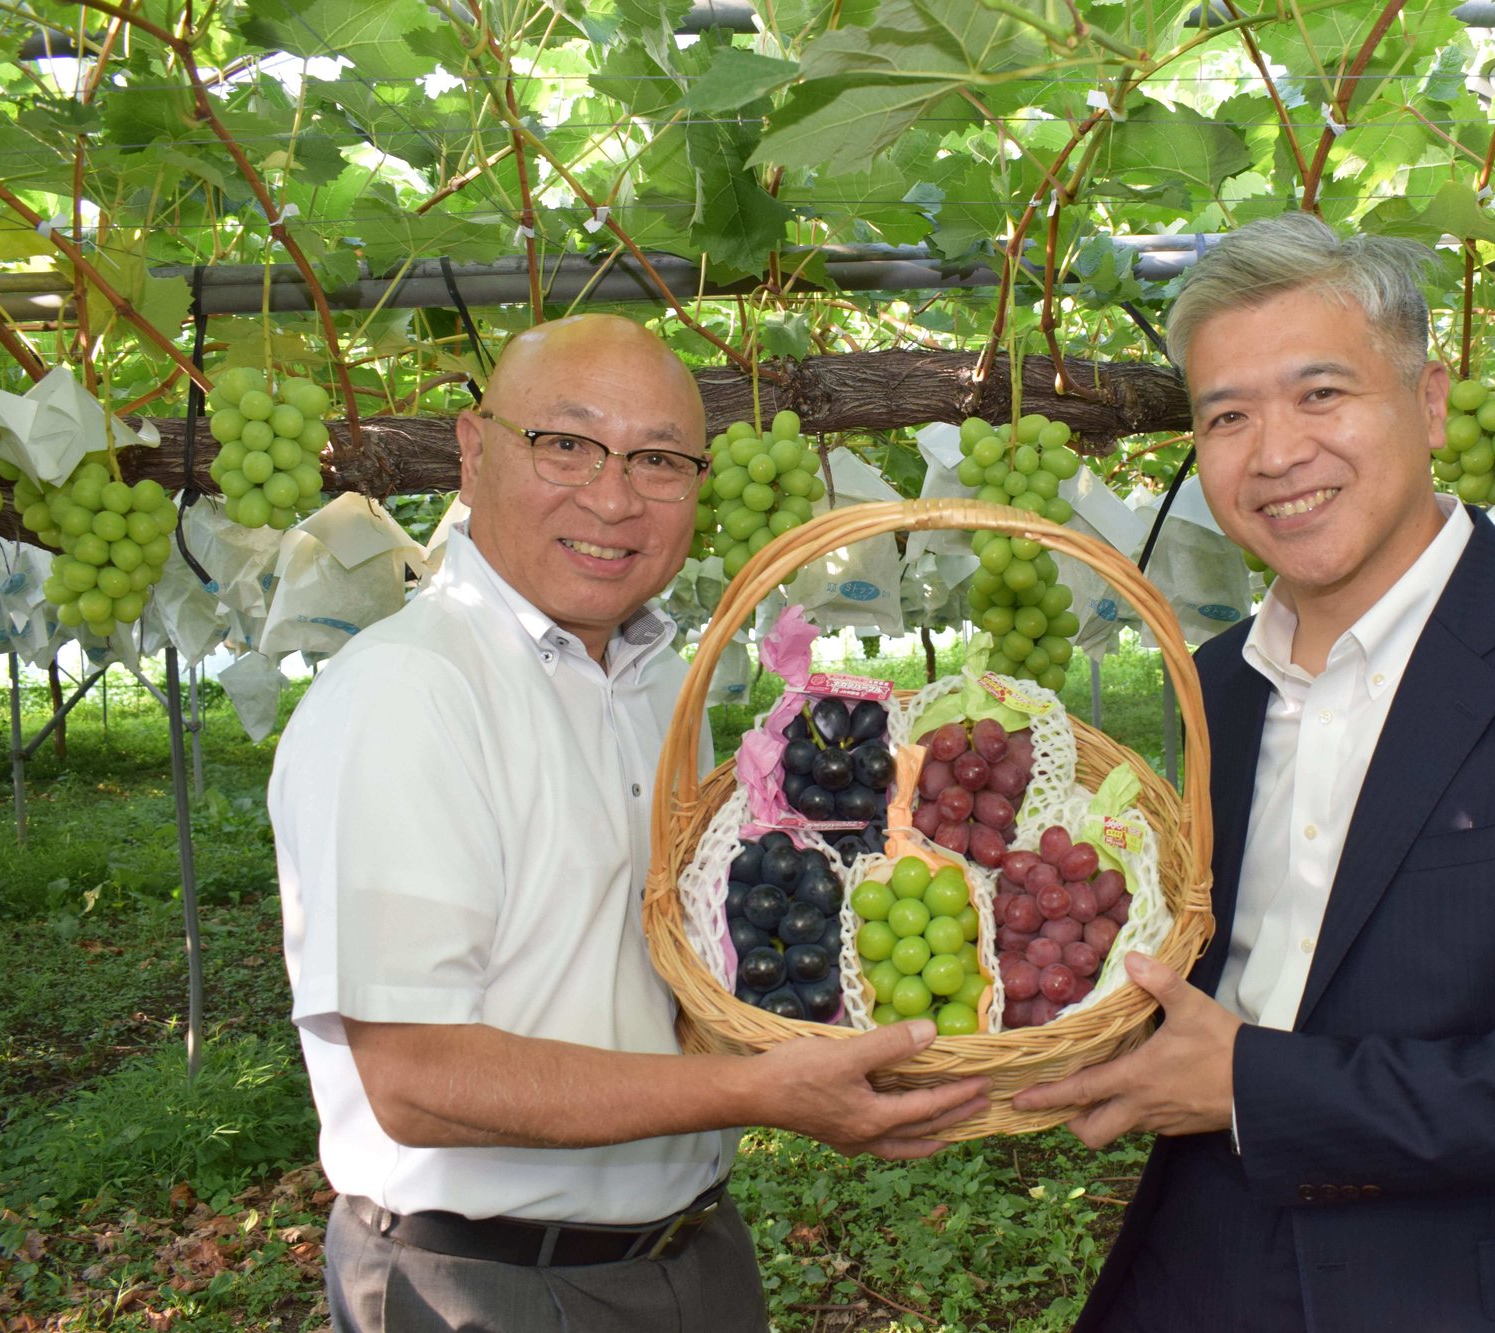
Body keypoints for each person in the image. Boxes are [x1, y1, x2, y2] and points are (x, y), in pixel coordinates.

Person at [1016, 214, 1495, 1331]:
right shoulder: (1218, 684)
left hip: (1479, 1289)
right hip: (1207, 1261)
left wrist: (1251, 1087)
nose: (1273, 453)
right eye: (1225, 415)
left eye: (1319, 395)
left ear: (1430, 401)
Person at [271, 313, 987, 1333]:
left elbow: (654, 969)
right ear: (473, 455)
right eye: (563, 443)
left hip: (684, 1251)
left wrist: (810, 1046)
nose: (610, 496)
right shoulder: (407, 694)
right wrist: (765, 1093)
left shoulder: (647, 684)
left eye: (656, 458)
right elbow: (419, 1077)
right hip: (489, 1287)